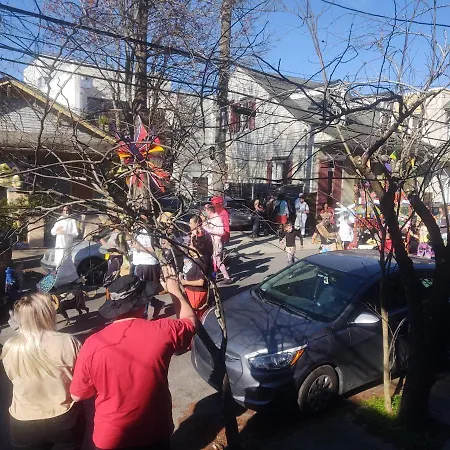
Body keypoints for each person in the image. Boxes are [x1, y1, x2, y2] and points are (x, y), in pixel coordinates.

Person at [70, 273, 197, 450]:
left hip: (112, 437)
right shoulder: (163, 330)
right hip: (155, 430)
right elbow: (191, 322)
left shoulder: (92, 343)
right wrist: (174, 290)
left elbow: (78, 395)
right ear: (143, 303)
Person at [2, 293, 84, 450]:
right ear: (48, 313)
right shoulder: (68, 341)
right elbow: (81, 378)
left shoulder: (10, 347)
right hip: (64, 417)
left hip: (24, 421)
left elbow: (12, 376)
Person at [180, 229, 212, 319]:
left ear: (196, 247)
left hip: (196, 294)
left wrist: (184, 282)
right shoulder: (195, 257)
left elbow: (201, 282)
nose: (188, 245)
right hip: (190, 291)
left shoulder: (201, 262)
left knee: (194, 316)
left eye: (191, 244)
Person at [51, 206, 80, 287]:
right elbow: (52, 232)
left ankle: (68, 279)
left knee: (66, 261)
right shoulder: (59, 220)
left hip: (67, 244)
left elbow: (75, 234)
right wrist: (57, 230)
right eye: (64, 210)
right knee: (59, 261)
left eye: (67, 210)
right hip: (59, 244)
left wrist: (65, 232)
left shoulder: (72, 221)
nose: (66, 212)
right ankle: (60, 279)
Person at [203, 204, 232, 284]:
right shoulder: (211, 219)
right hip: (213, 244)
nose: (205, 213)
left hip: (217, 244)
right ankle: (215, 276)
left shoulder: (217, 219)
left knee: (217, 261)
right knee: (215, 262)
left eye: (205, 211)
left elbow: (221, 232)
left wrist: (209, 230)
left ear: (209, 211)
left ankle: (226, 277)